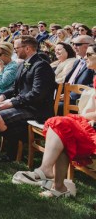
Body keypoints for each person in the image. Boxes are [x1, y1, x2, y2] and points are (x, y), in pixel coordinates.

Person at [12, 45, 96, 198]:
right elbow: (89, 108)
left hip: (93, 126)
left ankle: (46, 172)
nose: (84, 57)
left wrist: (89, 116)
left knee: (60, 124)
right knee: (57, 126)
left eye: (89, 54)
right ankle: (58, 187)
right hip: (89, 121)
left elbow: (90, 112)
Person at [0, 36, 57, 160]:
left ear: (27, 48)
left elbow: (37, 94)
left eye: (16, 48)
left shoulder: (42, 66)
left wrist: (13, 103)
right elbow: (16, 88)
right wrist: (4, 95)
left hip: (37, 109)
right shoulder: (23, 64)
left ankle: (18, 149)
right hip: (24, 105)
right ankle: (15, 151)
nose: (15, 51)